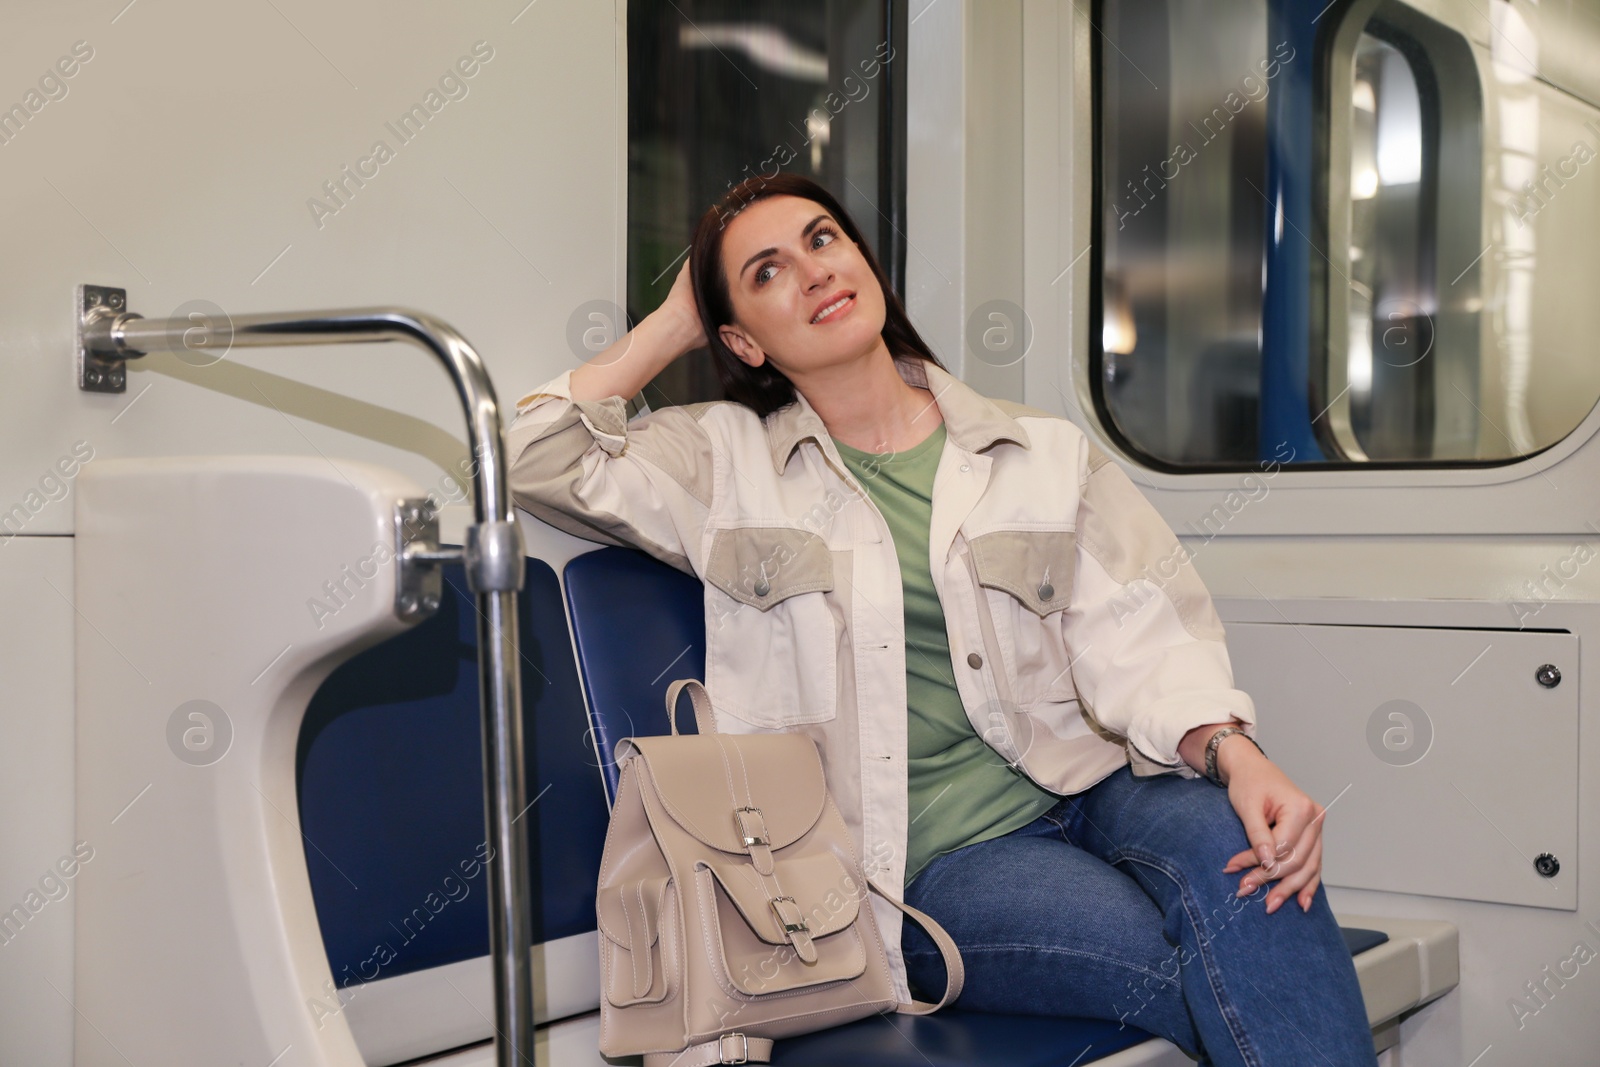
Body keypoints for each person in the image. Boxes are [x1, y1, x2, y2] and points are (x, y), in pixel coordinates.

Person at [506, 173, 1376, 1066]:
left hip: (1098, 783)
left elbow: (1141, 635)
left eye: (822, 240)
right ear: (740, 338)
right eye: (765, 274)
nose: (812, 273)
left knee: (1260, 878)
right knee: (1201, 960)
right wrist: (678, 320)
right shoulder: (724, 465)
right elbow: (531, 454)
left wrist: (1238, 756)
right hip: (933, 862)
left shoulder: (1041, 453)